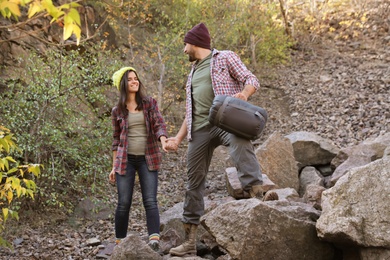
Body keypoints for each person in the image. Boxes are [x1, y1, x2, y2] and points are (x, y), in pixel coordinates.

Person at [166, 23, 272, 256]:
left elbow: (251, 79)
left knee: (240, 144)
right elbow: (190, 112)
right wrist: (177, 138)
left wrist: (244, 94)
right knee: (193, 180)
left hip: (226, 121)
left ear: (194, 43)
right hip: (200, 130)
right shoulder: (191, 73)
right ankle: (190, 240)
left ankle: (258, 195)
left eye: (185, 44)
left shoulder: (224, 58)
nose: (184, 50)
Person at [109, 66, 169, 252]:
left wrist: (163, 140)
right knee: (123, 202)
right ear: (123, 85)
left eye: (136, 78)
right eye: (130, 79)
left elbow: (159, 123)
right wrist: (113, 167)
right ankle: (120, 242)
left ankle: (154, 240)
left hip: (147, 158)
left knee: (150, 200)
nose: (135, 81)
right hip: (124, 160)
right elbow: (116, 140)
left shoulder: (149, 103)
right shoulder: (117, 111)